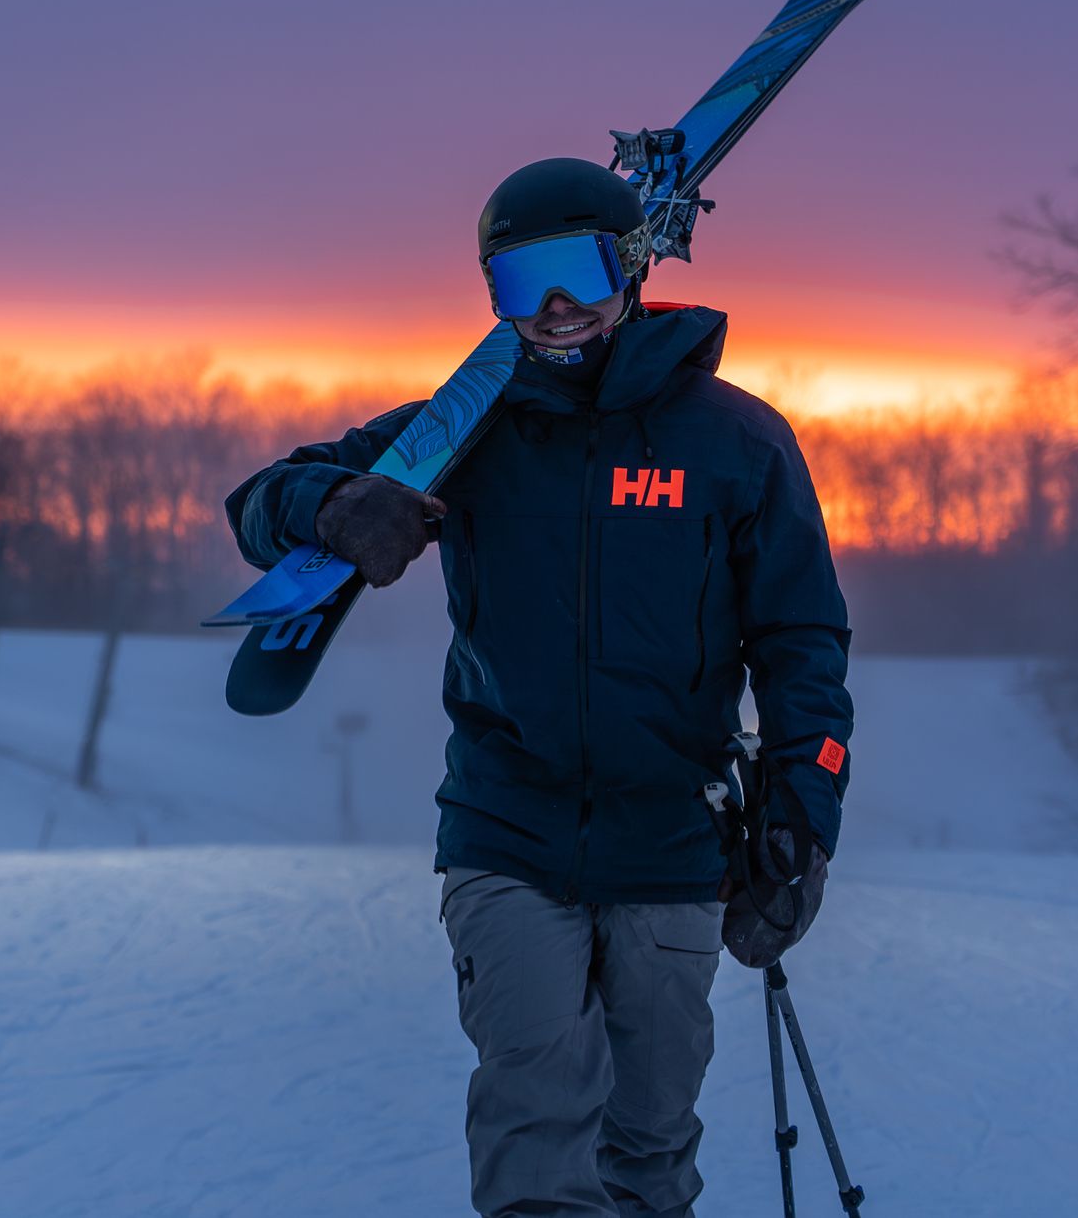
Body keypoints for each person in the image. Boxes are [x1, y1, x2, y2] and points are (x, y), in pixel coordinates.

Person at [224, 157, 854, 1218]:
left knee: (648, 1146)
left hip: (672, 840)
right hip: (506, 830)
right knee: (534, 1122)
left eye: (577, 272)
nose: (554, 305)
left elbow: (802, 640)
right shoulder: (461, 432)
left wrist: (804, 812)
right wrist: (333, 507)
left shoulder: (736, 442)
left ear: (633, 267)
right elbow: (258, 500)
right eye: (520, 280)